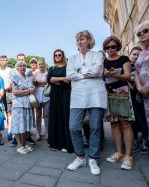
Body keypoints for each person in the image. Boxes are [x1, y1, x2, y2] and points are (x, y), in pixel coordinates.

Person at [66, 30, 107, 175]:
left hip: (96, 94)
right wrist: (85, 73)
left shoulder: (98, 55)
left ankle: (93, 159)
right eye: (78, 40)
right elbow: (69, 74)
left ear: (89, 40)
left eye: (82, 39)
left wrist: (79, 72)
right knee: (73, 127)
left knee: (95, 127)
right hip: (77, 96)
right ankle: (80, 157)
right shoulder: (72, 58)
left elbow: (97, 71)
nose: (79, 42)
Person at [103, 36, 134, 170]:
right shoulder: (103, 61)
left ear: (118, 47)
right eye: (107, 47)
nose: (110, 49)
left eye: (113, 47)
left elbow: (128, 76)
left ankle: (128, 156)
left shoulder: (124, 59)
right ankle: (119, 153)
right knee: (114, 124)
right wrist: (104, 74)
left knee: (125, 123)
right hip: (108, 93)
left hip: (122, 91)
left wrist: (114, 75)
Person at [47, 49, 74, 153]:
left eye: (59, 55)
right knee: (55, 117)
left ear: (62, 56)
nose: (57, 56)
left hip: (65, 95)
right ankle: (55, 143)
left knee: (65, 118)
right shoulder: (52, 68)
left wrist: (56, 80)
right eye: (56, 55)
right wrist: (62, 79)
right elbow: (49, 79)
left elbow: (69, 80)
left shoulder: (68, 67)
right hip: (54, 96)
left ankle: (65, 144)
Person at [10, 53, 36, 146]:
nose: (22, 67)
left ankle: (24, 144)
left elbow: (33, 90)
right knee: (17, 126)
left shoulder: (28, 78)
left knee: (25, 126)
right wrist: (28, 91)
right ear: (17, 68)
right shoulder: (15, 77)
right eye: (20, 66)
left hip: (27, 105)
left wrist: (32, 91)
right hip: (18, 105)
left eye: (24, 66)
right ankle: (20, 146)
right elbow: (15, 92)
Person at [129, 47, 149, 154]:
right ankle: (135, 140)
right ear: (129, 55)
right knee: (132, 120)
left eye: (138, 55)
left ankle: (145, 141)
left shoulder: (142, 66)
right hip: (129, 97)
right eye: (134, 54)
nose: (136, 57)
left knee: (142, 119)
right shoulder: (126, 66)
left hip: (141, 96)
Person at [135, 20, 149, 154]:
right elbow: (136, 72)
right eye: (139, 33)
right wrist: (140, 88)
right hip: (144, 93)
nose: (141, 35)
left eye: (145, 31)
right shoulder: (141, 52)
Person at [33, 59, 49, 141]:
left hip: (46, 97)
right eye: (39, 64)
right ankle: (38, 133)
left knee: (46, 116)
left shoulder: (48, 73)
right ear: (37, 65)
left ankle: (47, 133)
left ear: (44, 65)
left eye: (42, 64)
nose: (41, 66)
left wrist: (38, 83)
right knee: (38, 116)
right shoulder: (34, 73)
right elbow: (33, 83)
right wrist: (43, 83)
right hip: (37, 97)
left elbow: (49, 82)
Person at [0, 55, 12, 141]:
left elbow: (11, 83)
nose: (2, 61)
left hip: (8, 93)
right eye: (1, 60)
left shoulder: (10, 70)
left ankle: (9, 131)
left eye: (4, 60)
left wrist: (4, 89)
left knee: (8, 113)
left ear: (7, 61)